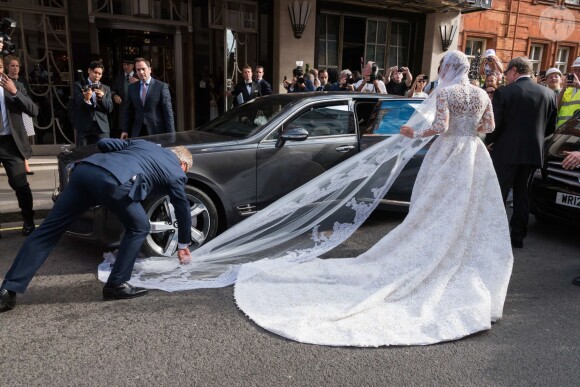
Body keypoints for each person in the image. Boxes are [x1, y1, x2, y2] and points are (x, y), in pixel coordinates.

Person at [129, 51, 514, 347]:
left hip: (445, 154)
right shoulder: (481, 93)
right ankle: (458, 259)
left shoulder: (445, 93)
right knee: (465, 211)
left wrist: (415, 135)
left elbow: (440, 127)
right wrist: (467, 132)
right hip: (472, 157)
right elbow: (488, 127)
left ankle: (434, 254)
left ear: (447, 68)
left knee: (433, 211)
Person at [0, 138, 193, 313]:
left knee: (48, 231)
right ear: (183, 164)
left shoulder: (145, 144)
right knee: (140, 227)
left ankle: (8, 290)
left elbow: (105, 143)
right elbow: (182, 207)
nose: (184, 174)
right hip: (112, 182)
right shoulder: (176, 172)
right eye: (187, 170)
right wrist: (183, 244)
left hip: (84, 171)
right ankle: (116, 284)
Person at [485, 56, 557, 248]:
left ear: (515, 70)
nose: (506, 75)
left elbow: (495, 125)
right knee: (522, 194)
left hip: (506, 152)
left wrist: (489, 142)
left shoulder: (505, 92)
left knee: (498, 193)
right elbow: (551, 128)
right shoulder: (548, 94)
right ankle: (518, 236)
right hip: (533, 152)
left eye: (507, 72)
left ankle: (492, 235)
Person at [0, 52, 39, 237]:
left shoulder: (15, 86)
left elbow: (33, 110)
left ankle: (28, 220)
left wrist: (14, 92)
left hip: (10, 143)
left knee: (20, 184)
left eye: (0, 68)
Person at [122, 57, 175, 138]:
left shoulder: (161, 87)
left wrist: (171, 134)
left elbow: (168, 112)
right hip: (138, 131)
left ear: (150, 69)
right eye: (138, 70)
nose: (141, 72)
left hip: (156, 132)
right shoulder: (132, 88)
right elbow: (128, 111)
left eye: (143, 69)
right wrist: (125, 130)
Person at [4, 55, 35, 175]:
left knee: (24, 136)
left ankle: (26, 162)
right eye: (13, 65)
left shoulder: (22, 81)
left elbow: (27, 97)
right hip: (12, 114)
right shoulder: (5, 81)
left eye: (17, 66)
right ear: (7, 67)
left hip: (24, 112)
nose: (15, 68)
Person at [73, 61, 113, 146]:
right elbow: (79, 105)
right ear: (89, 71)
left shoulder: (106, 88)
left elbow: (110, 108)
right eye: (95, 72)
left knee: (105, 154)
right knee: (82, 154)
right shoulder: (79, 85)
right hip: (84, 126)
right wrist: (86, 98)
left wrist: (102, 98)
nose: (97, 76)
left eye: (100, 74)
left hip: (101, 127)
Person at [111, 56, 138, 139]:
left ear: (133, 66)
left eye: (128, 64)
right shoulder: (119, 78)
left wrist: (138, 82)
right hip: (122, 112)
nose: (125, 67)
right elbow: (112, 90)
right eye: (124, 65)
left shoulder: (139, 76)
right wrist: (115, 95)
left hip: (136, 113)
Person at [556, 57, 580, 127]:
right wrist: (562, 90)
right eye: (575, 70)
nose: (577, 73)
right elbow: (556, 107)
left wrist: (579, 86)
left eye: (579, 70)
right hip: (562, 130)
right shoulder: (568, 88)